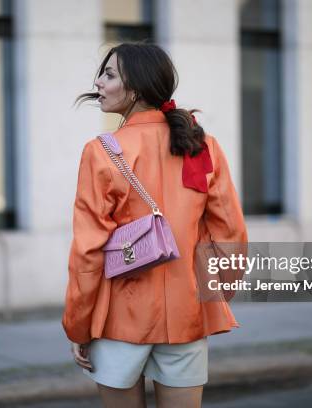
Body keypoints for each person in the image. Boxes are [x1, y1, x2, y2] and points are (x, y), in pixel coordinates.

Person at [62, 43, 247, 408]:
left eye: (109, 74)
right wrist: (215, 296)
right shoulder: (201, 145)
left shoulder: (101, 151)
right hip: (187, 315)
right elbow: (231, 235)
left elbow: (88, 252)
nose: (98, 82)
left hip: (118, 320)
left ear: (136, 88)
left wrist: (78, 325)